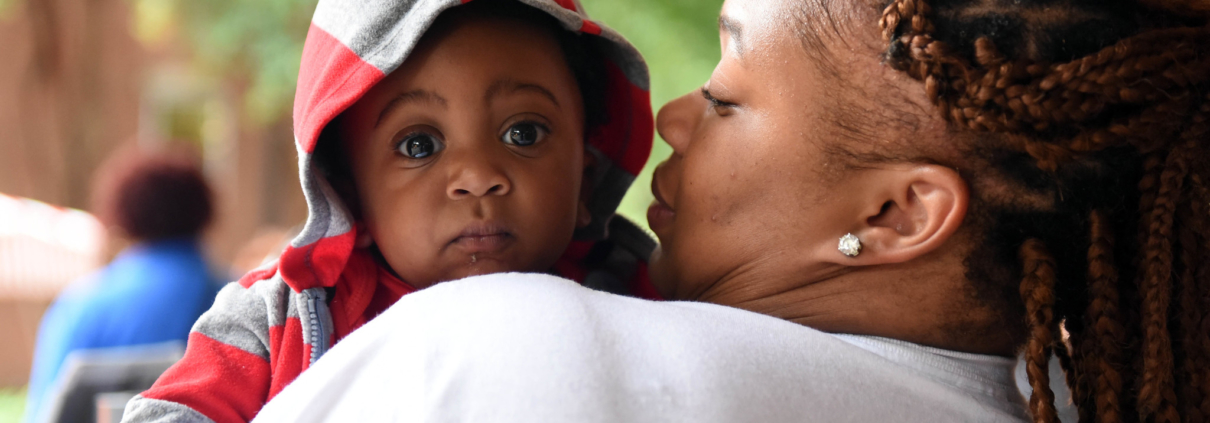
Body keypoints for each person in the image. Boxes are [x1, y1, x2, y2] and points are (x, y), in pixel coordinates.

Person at [251, 0, 1209, 422]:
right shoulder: (1069, 400)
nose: (671, 114)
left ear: (894, 212)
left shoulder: (506, 342)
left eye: (726, 93)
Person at [121, 0, 656, 421]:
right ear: (348, 196)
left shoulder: (640, 298)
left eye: (524, 133)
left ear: (585, 181)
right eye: (418, 145)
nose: (477, 176)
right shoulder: (275, 322)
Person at [24, 147, 219, 422]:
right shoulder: (245, 299)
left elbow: (43, 416)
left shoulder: (80, 306)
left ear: (123, 213)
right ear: (204, 210)